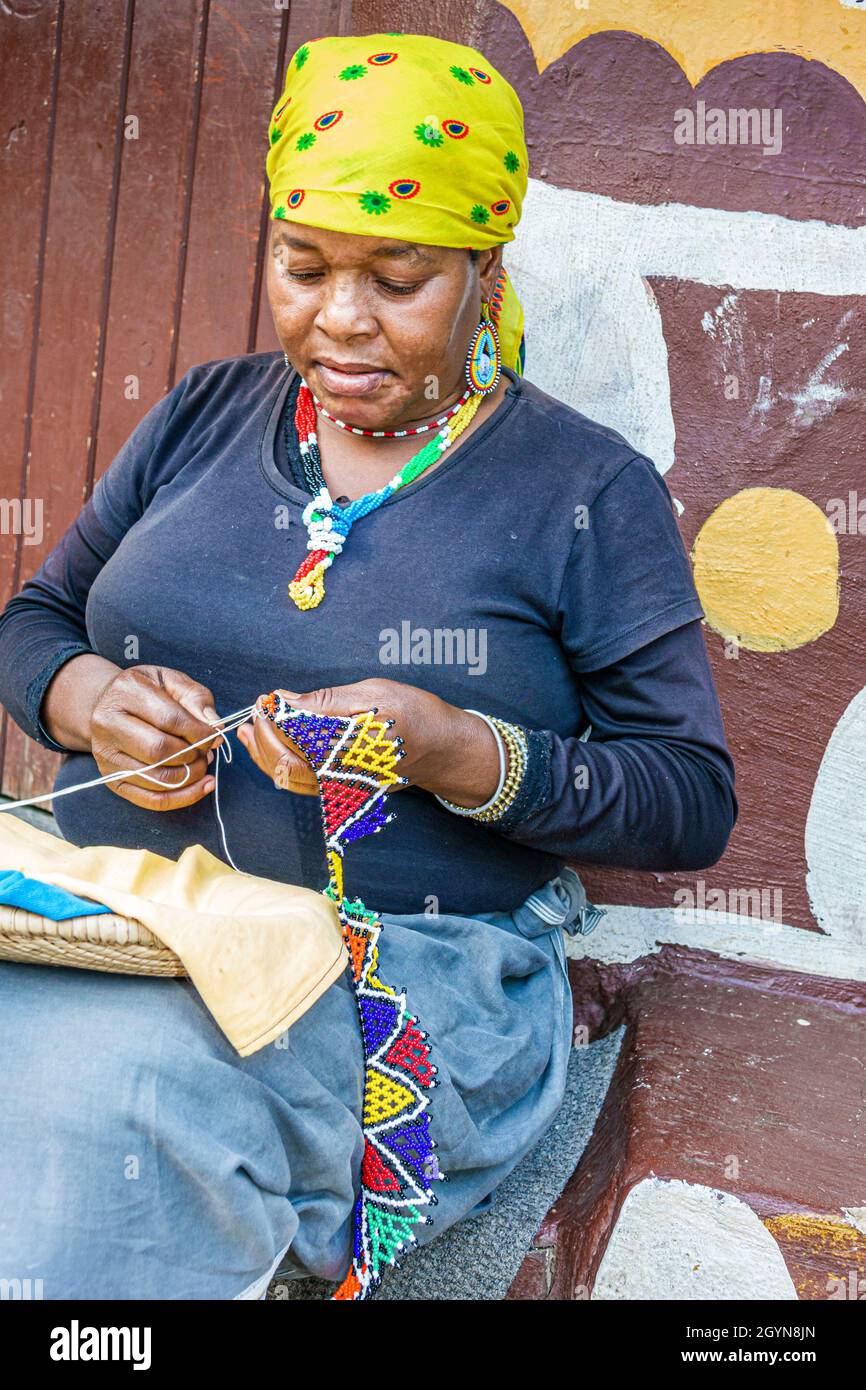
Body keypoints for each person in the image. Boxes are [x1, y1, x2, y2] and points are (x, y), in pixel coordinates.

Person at [0, 32, 736, 1299]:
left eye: (397, 279)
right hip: (112, 904)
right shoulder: (203, 413)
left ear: (481, 266)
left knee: (109, 1088)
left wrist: (459, 752)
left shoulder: (582, 489)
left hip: (404, 965)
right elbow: (38, 616)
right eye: (302, 268)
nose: (338, 320)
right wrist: (86, 698)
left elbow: (688, 794)